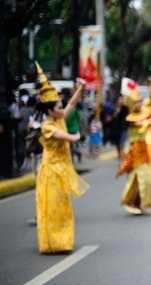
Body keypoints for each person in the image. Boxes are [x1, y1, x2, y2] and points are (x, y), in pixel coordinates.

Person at [33, 62, 89, 253]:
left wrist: (80, 88)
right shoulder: (48, 126)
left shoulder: (59, 119)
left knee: (63, 206)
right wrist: (73, 137)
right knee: (53, 206)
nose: (61, 107)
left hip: (62, 169)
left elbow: (72, 104)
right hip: (51, 172)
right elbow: (60, 135)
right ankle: (53, 242)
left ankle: (64, 241)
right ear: (49, 110)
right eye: (58, 106)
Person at [117, 80, 151, 214]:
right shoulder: (130, 118)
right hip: (135, 151)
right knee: (142, 178)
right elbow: (142, 123)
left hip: (144, 149)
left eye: (140, 101)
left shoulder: (144, 112)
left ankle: (139, 203)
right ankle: (135, 202)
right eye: (137, 102)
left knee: (144, 179)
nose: (139, 104)